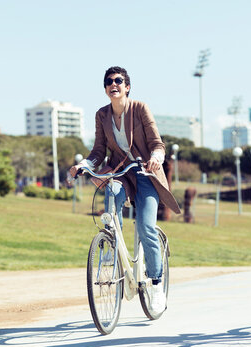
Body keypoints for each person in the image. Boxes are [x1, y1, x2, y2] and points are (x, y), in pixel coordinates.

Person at [69, 66, 181, 313]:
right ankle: (111, 244)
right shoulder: (101, 115)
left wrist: (156, 158)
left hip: (145, 173)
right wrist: (83, 165)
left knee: (145, 226)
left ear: (127, 86)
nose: (113, 84)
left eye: (118, 80)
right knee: (112, 192)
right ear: (106, 89)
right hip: (121, 172)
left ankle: (156, 284)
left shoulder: (140, 108)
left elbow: (157, 143)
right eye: (108, 81)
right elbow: (98, 152)